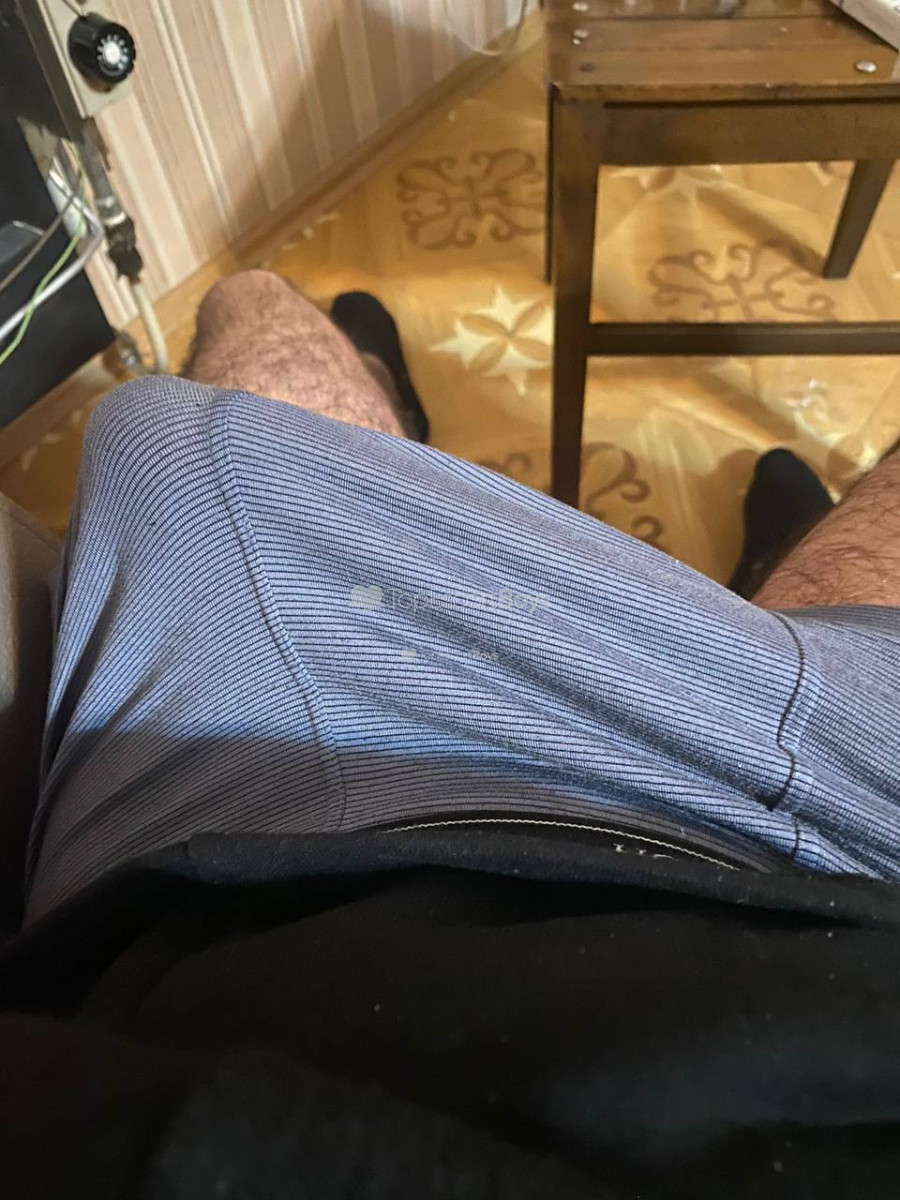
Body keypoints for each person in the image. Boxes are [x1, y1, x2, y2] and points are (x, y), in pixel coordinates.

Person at [2, 269, 900, 1198]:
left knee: (196, 411)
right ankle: (782, 582)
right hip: (868, 906)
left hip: (340, 867)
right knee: (855, 572)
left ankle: (380, 399)